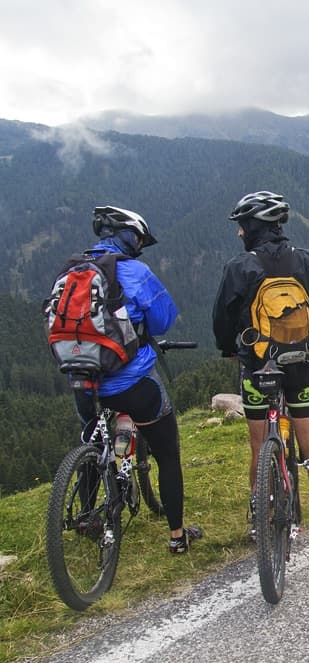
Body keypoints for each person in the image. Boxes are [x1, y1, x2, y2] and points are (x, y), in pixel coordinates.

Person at [212, 191, 309, 545]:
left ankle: (262, 521)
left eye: (242, 226)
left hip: (259, 369)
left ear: (254, 227)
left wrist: (230, 349)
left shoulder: (239, 268)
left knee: (260, 447)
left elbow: (221, 320)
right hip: (302, 363)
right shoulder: (308, 261)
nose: (240, 233)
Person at [74, 206, 202, 554]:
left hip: (82, 378)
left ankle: (86, 516)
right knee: (167, 455)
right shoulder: (134, 271)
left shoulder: (74, 270)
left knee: (92, 438)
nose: (142, 247)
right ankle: (177, 537)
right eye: (141, 240)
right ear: (130, 237)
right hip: (131, 381)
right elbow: (162, 323)